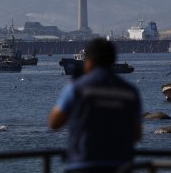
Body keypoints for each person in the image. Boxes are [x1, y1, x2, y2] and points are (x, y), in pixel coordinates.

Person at [48, 38, 142, 173]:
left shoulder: (77, 88)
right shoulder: (130, 92)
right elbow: (137, 134)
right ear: (112, 60)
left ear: (89, 61)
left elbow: (54, 122)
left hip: (82, 165)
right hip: (120, 166)